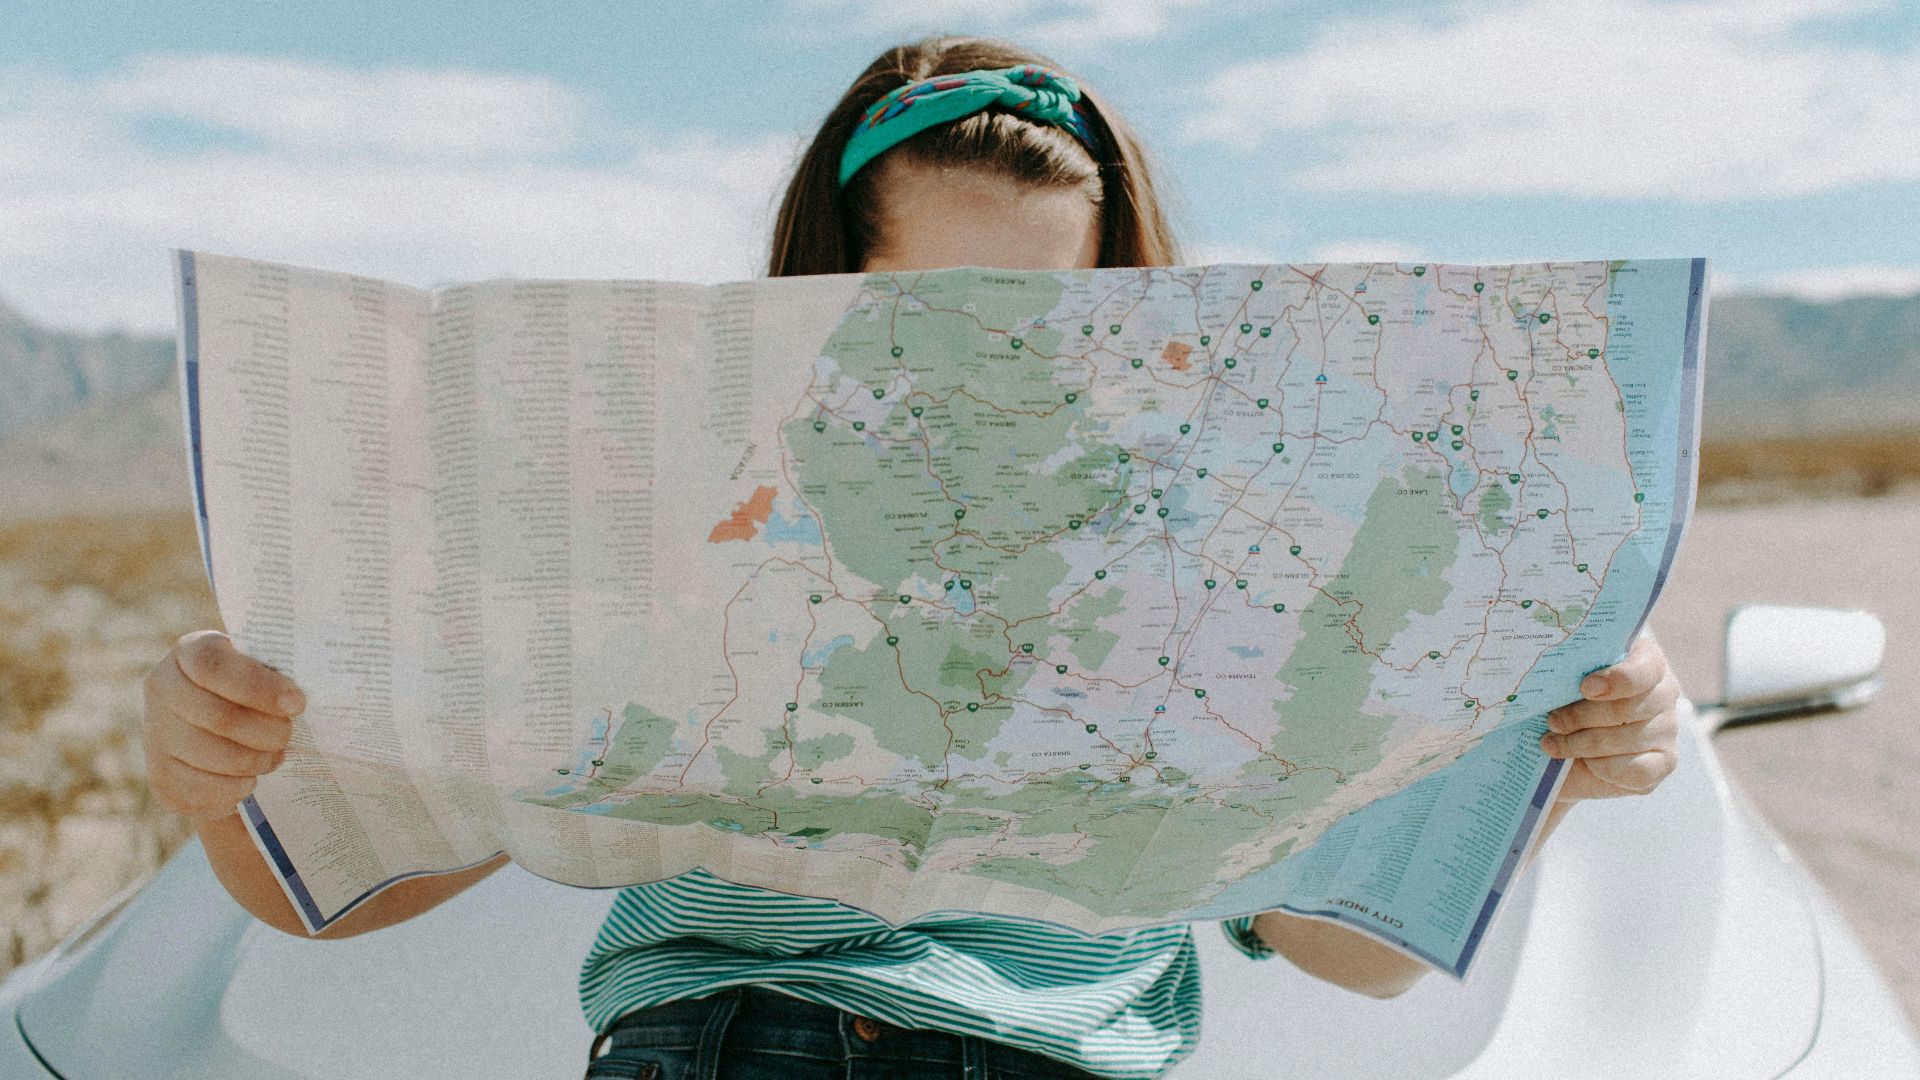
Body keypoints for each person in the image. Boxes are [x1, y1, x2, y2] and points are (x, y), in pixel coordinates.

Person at [139, 33, 1685, 1080]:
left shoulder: (1228, 553)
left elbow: (1349, 960)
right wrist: (226, 777)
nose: (980, 368)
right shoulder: (677, 507)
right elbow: (345, 890)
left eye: (1043, 320)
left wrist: (1546, 769)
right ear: (818, 293)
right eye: (918, 315)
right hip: (720, 1040)